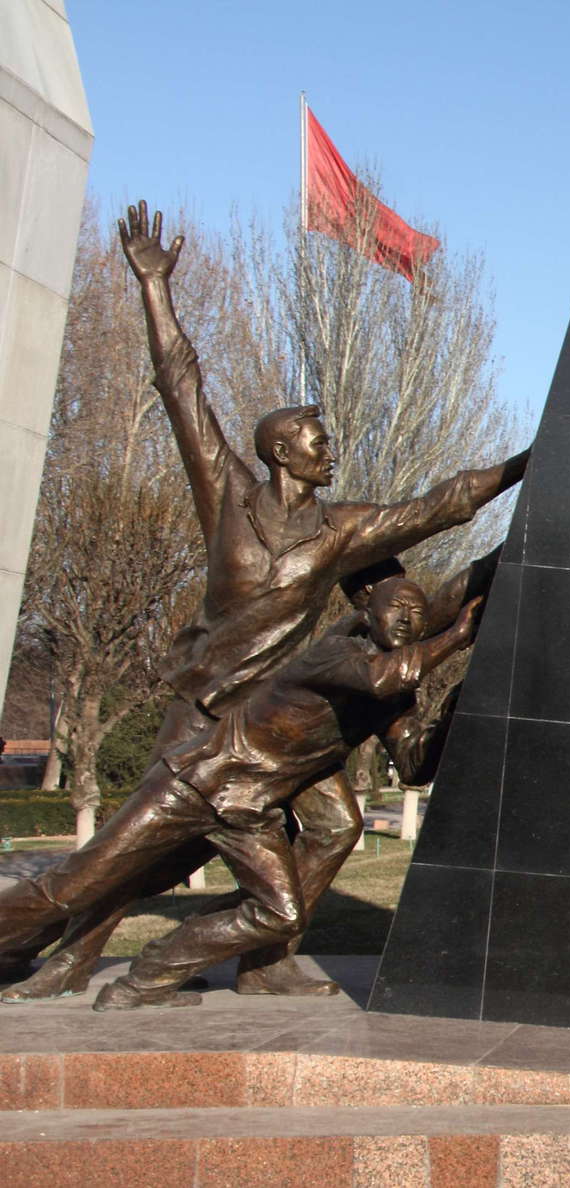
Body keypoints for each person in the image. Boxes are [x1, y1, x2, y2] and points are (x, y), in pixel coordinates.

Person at [0, 202, 529, 1001]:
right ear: (282, 450)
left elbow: (444, 502)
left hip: (276, 715)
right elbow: (181, 385)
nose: (330, 448)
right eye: (318, 440)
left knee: (338, 825)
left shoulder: (341, 529)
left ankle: (265, 962)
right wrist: (153, 288)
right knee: (123, 862)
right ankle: (46, 945)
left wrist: (530, 460)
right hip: (207, 713)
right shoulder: (228, 498)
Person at [0, 580, 481, 1010]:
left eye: (417, 615)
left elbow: (415, 766)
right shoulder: (336, 654)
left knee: (281, 913)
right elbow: (383, 676)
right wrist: (460, 632)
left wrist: (456, 708)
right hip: (194, 785)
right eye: (396, 607)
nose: (407, 620)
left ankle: (149, 975)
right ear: (368, 616)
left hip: (249, 809)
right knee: (73, 885)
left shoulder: (395, 697)